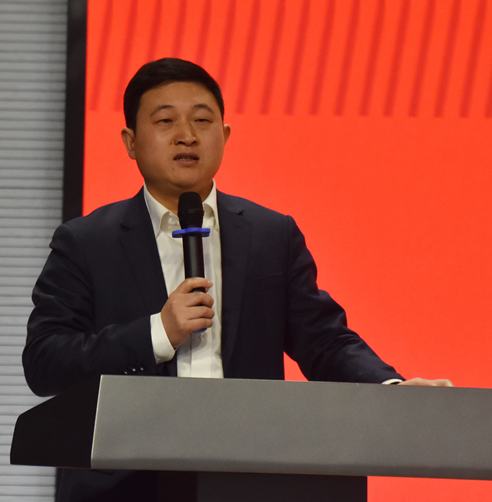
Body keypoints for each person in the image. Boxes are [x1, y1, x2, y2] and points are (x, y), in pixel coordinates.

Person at [23, 58, 452, 501]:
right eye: (166, 121)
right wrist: (158, 332)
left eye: (202, 120)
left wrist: (390, 391)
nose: (187, 135)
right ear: (131, 142)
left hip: (247, 476)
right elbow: (45, 361)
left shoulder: (271, 235)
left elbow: (323, 340)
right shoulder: (86, 242)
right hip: (124, 485)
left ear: (225, 136)